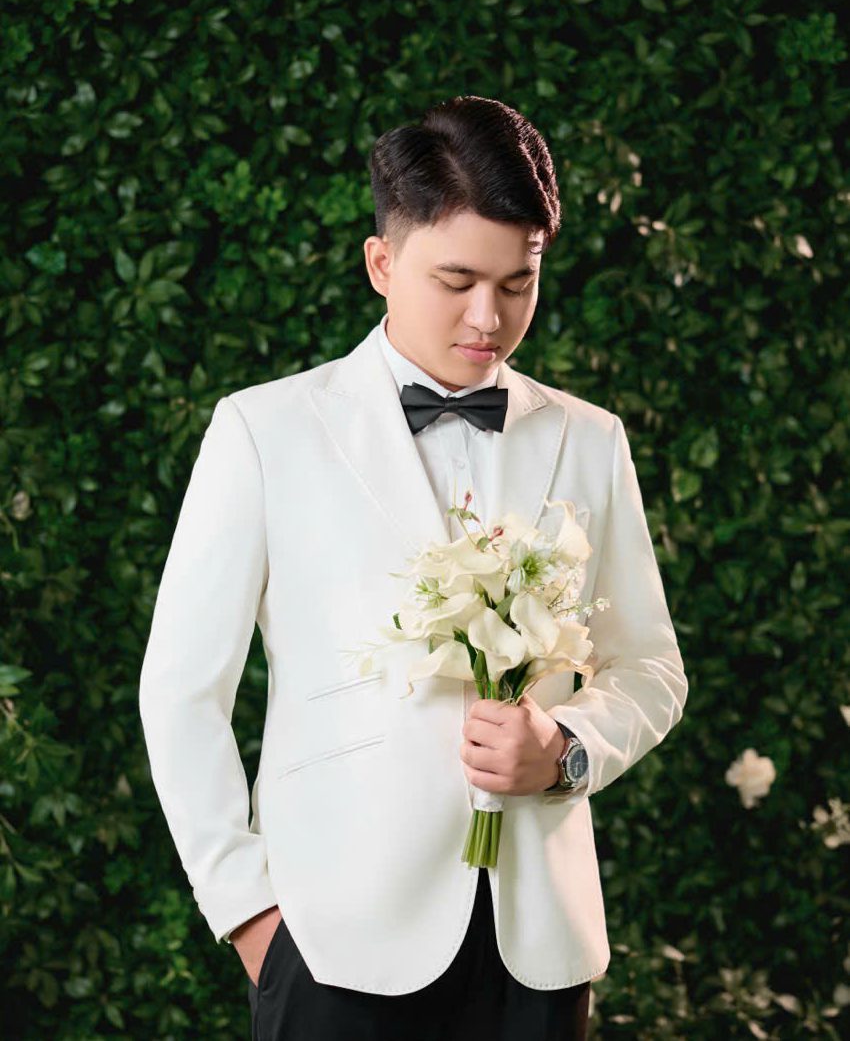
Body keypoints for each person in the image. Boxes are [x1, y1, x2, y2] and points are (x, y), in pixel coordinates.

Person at [138, 95, 688, 1041]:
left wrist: (566, 749)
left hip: (538, 950)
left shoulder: (591, 439)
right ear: (381, 264)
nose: (488, 317)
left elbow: (651, 666)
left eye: (518, 283)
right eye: (457, 280)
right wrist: (250, 914)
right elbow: (181, 692)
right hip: (332, 946)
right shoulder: (264, 431)